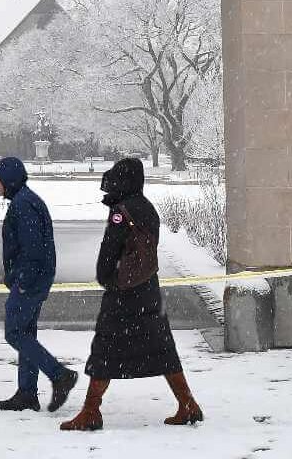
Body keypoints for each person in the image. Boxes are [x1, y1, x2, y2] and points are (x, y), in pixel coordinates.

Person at [61, 157, 203, 432]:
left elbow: (110, 252)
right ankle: (187, 404)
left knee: (106, 346)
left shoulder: (121, 211)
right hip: (148, 288)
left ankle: (91, 411)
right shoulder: (147, 208)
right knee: (162, 347)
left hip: (123, 292)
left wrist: (106, 276)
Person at [0, 156, 77, 413]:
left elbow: (33, 249)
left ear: (9, 181)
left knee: (14, 333)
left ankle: (59, 375)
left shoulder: (24, 205)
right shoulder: (24, 201)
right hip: (33, 279)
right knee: (26, 334)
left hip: (30, 281)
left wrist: (22, 281)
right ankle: (27, 393)